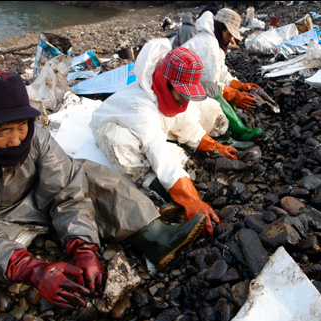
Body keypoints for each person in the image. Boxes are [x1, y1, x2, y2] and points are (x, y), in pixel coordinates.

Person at [0, 69, 205, 321]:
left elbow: (67, 188)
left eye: (21, 127)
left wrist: (84, 248)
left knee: (84, 171)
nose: (15, 140)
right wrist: (30, 269)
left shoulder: (35, 137)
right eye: (2, 132)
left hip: (34, 203)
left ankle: (154, 235)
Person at [90, 38, 239, 238]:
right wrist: (191, 200)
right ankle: (157, 187)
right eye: (181, 95)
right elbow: (156, 148)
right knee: (121, 144)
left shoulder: (174, 96)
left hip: (155, 127)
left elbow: (187, 124)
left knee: (207, 107)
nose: (184, 101)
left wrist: (215, 146)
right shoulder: (141, 107)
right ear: (163, 82)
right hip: (120, 128)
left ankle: (183, 175)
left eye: (188, 95)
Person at [182, 8, 263, 142]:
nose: (230, 39)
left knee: (222, 95)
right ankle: (239, 131)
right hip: (182, 88)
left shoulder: (214, 42)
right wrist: (234, 95)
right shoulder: (208, 45)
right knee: (217, 96)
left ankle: (230, 128)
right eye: (229, 34)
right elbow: (211, 85)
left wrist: (239, 86)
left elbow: (221, 72)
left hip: (191, 85)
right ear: (221, 28)